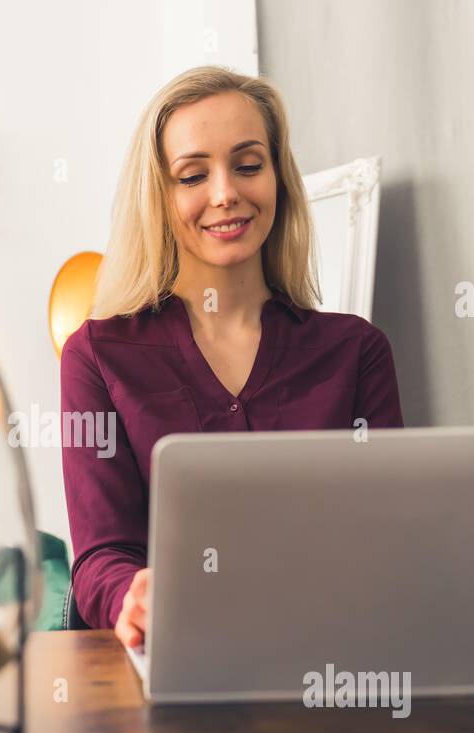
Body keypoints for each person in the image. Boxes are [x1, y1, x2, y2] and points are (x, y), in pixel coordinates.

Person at [60, 65, 404, 650]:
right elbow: (99, 559)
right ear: (160, 197)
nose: (226, 193)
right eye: (193, 175)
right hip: (173, 661)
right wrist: (131, 597)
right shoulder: (96, 356)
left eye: (248, 165)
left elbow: (393, 538)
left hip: (330, 661)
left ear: (278, 180)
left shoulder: (357, 350)